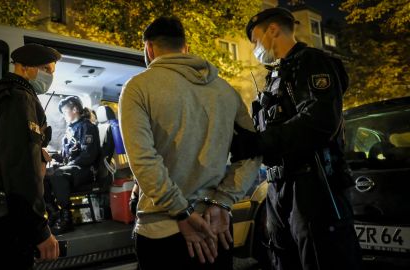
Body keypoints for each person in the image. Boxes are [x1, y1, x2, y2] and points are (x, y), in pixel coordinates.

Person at [119, 16, 261, 270]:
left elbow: (143, 160)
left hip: (162, 231)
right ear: (185, 48)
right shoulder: (226, 91)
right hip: (215, 227)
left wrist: (182, 212)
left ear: (148, 48)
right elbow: (252, 151)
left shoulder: (138, 87)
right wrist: (223, 201)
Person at [237, 7, 361, 270]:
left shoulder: (312, 63)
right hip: (279, 186)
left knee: (320, 257)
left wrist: (260, 142)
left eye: (255, 39)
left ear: (273, 30)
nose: (254, 48)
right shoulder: (275, 76)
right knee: (283, 257)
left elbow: (318, 121)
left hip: (313, 184)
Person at [0, 43, 61, 269]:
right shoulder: (19, 97)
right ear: (24, 67)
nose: (49, 76)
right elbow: (21, 170)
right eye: (46, 69)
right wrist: (39, 228)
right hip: (5, 217)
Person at [47, 96, 100, 233]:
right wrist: (53, 156)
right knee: (44, 175)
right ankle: (54, 213)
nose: (64, 116)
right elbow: (66, 155)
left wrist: (66, 165)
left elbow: (88, 156)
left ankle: (66, 218)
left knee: (59, 174)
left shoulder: (87, 127)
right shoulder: (70, 130)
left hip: (86, 170)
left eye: (65, 112)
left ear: (75, 109)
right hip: (74, 168)